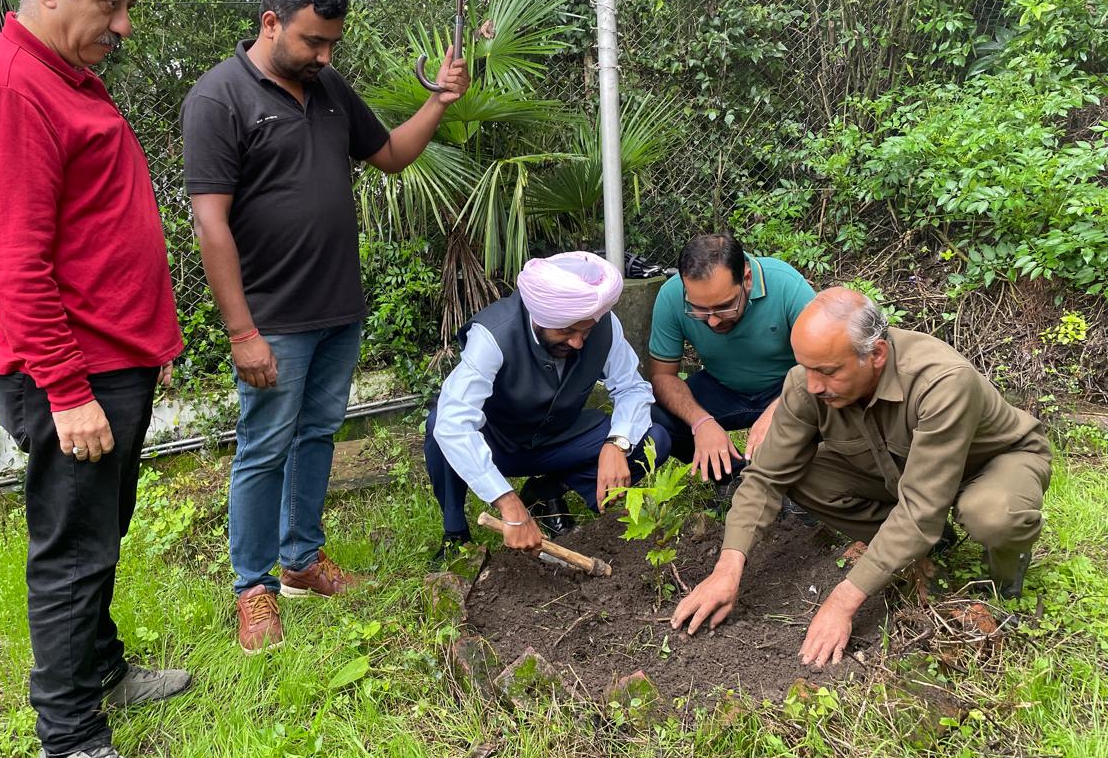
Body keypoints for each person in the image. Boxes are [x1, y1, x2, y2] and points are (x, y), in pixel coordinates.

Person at [0, 0, 190, 758]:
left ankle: (103, 672)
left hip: (109, 365)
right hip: (73, 376)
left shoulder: (62, 77)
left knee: (100, 535)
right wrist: (65, 387)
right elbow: (12, 265)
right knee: (72, 552)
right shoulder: (11, 88)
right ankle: (69, 746)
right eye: (111, 3)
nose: (123, 25)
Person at [182, 0, 469, 654]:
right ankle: (254, 587)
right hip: (273, 318)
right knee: (263, 448)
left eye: (332, 43)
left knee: (315, 438)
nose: (325, 54)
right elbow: (209, 223)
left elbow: (393, 156)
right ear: (271, 22)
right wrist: (241, 330)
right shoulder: (218, 99)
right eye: (313, 41)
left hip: (339, 307)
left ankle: (302, 561)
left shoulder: (329, 87)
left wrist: (438, 102)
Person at [671, 288, 1050, 667]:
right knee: (800, 475)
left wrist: (842, 601)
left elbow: (920, 507)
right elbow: (766, 477)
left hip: (990, 463)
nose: (814, 385)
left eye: (828, 371)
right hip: (901, 470)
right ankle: (929, 545)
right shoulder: (807, 384)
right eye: (807, 367)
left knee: (992, 514)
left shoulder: (942, 382)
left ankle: (1003, 579)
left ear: (877, 355)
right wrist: (727, 568)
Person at [425, 252, 672, 556]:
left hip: (560, 439)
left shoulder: (604, 325)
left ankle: (545, 492)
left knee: (654, 440)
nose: (578, 342)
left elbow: (632, 389)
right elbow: (454, 421)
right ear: (540, 316)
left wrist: (616, 444)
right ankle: (455, 536)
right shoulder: (494, 335)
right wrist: (507, 502)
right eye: (566, 331)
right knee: (439, 423)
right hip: (500, 445)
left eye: (585, 331)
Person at [648, 233, 815, 486]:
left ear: (746, 279)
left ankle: (805, 484)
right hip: (723, 387)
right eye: (700, 310)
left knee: (832, 401)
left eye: (724, 306)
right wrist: (700, 422)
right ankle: (732, 477)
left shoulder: (787, 285)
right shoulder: (671, 296)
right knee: (654, 417)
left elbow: (821, 368)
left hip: (787, 384)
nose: (713, 320)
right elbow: (662, 376)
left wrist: (783, 407)